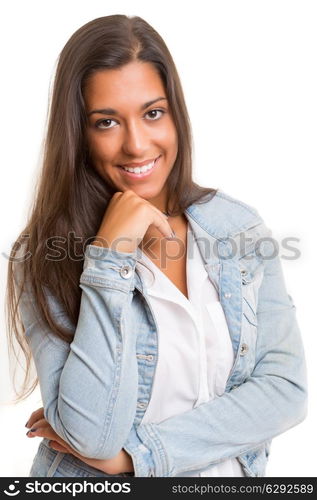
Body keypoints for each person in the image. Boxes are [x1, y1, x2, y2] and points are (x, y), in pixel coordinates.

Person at [6, 14, 307, 478]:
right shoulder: (45, 254)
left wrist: (139, 456)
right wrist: (109, 256)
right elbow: (91, 435)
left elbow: (285, 391)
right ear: (78, 134)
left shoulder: (237, 228)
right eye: (106, 122)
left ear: (175, 113)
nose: (136, 144)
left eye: (152, 113)